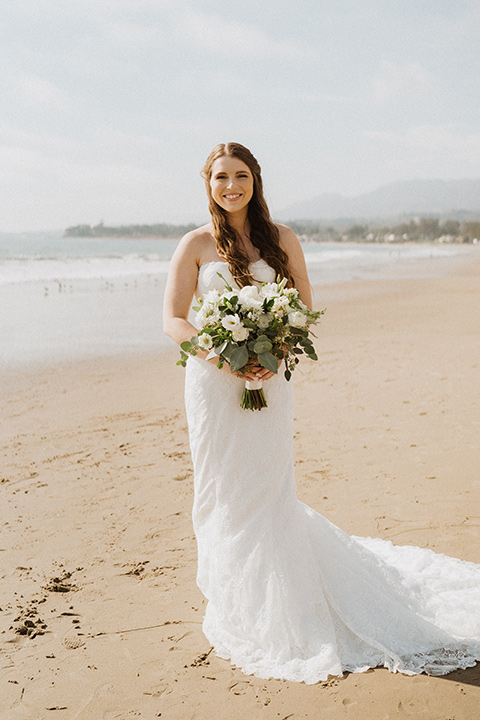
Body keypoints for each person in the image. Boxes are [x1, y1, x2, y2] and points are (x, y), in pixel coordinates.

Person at [163, 142, 480, 683]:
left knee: (266, 484)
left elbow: (303, 302)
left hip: (270, 377)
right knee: (218, 486)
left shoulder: (281, 239)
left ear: (255, 181)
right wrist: (220, 354)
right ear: (207, 183)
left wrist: (275, 349)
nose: (231, 186)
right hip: (212, 384)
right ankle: (236, 596)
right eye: (221, 177)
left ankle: (284, 600)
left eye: (241, 176)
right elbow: (173, 319)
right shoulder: (194, 243)